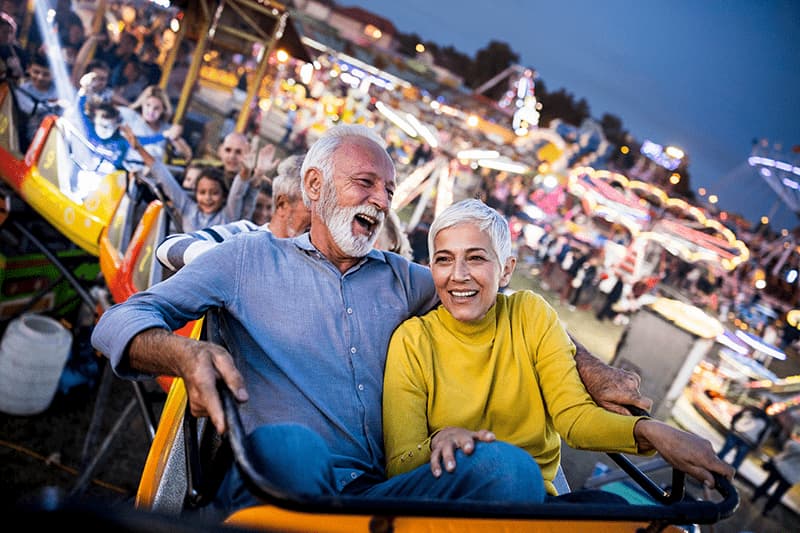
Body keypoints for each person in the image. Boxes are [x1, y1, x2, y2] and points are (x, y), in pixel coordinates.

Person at [91, 124, 652, 520]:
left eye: (388, 189)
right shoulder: (246, 260)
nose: (382, 200)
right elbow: (124, 317)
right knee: (296, 448)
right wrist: (184, 355)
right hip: (283, 476)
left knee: (510, 470)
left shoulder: (401, 276)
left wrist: (594, 370)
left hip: (383, 488)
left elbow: (499, 300)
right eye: (366, 183)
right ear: (313, 187)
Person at [382, 199, 734, 500]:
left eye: (475, 258)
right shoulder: (413, 341)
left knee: (612, 509)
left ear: (506, 270)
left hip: (537, 502)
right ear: (431, 268)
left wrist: (654, 431)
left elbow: (574, 418)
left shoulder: (530, 314)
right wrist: (441, 441)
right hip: (455, 502)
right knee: (510, 469)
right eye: (444, 260)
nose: (458, 275)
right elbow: (400, 464)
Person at [122, 125, 247, 233]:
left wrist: (248, 170)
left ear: (224, 196)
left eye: (214, 193)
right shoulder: (189, 209)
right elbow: (163, 176)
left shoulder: (227, 217)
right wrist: (139, 148)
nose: (207, 198)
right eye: (202, 192)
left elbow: (238, 192)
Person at [119, 85, 192, 163]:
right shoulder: (130, 117)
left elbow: (187, 154)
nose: (151, 111)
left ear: (163, 110)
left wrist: (175, 137)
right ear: (142, 104)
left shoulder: (166, 128)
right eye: (148, 105)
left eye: (156, 108)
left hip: (153, 171)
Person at [717, 397, 775, 471]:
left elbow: (736, 416)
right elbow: (763, 436)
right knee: (737, 461)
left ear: (761, 403)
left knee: (723, 453)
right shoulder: (767, 421)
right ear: (768, 407)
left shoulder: (750, 408)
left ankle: (711, 466)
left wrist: (732, 427)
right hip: (748, 440)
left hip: (737, 433)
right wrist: (757, 446)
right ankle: (727, 476)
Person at [751, 434, 800, 516]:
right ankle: (766, 510)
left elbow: (788, 445)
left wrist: (795, 439)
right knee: (779, 494)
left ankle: (754, 497)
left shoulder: (796, 446)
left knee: (767, 484)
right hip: (792, 477)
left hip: (781, 468)